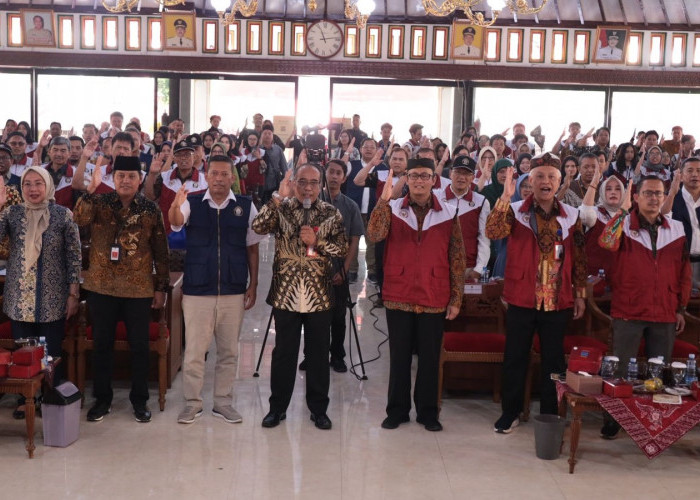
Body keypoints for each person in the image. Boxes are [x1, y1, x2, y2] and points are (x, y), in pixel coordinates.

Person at [486, 153, 587, 433]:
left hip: (558, 299)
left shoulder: (571, 216)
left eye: (551, 178)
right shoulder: (515, 210)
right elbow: (492, 231)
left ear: (559, 183)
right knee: (515, 357)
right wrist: (505, 197)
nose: (545, 182)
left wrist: (580, 293)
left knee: (553, 361)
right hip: (521, 296)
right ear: (530, 181)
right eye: (539, 177)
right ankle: (511, 412)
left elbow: (579, 257)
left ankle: (550, 414)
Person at [368, 157, 466, 432]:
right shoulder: (393, 209)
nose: (419, 181)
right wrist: (384, 201)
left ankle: (427, 412)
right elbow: (374, 235)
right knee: (399, 357)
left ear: (434, 180)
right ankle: (397, 411)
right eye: (414, 176)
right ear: (406, 179)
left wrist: (456, 298)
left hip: (434, 294)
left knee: (429, 358)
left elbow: (457, 257)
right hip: (398, 292)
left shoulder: (448, 212)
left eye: (425, 176)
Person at [73, 155, 170, 423]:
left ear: (139, 180)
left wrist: (160, 287)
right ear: (112, 179)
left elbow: (161, 252)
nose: (125, 181)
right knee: (102, 346)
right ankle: (101, 400)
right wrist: (89, 191)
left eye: (131, 176)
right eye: (120, 176)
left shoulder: (150, 209)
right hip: (101, 286)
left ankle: (139, 401)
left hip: (138, 289)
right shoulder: (100, 202)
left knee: (139, 347)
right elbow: (78, 220)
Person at [252, 163, 347, 430]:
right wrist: (277, 197)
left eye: (313, 183)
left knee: (318, 354)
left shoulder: (331, 213)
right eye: (302, 182)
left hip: (318, 295)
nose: (307, 188)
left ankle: (318, 409)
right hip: (287, 294)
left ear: (321, 186)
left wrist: (317, 243)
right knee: (284, 353)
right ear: (294, 183)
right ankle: (277, 408)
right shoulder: (282, 208)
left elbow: (341, 247)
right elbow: (258, 226)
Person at [169, 155, 263, 424]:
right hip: (198, 289)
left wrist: (252, 285)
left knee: (228, 352)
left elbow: (252, 247)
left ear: (232, 177)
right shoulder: (192, 202)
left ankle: (223, 402)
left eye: (225, 174)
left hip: (233, 289)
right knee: (196, 351)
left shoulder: (245, 206)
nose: (220, 179)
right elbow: (176, 221)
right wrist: (176, 204)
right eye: (215, 174)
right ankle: (192, 402)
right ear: (206, 176)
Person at [598, 175, 690, 439]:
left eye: (658, 194)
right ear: (636, 197)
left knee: (658, 374)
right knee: (619, 371)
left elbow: (683, 272)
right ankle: (613, 420)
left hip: (665, 311)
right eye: (648, 193)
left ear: (664, 198)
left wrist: (680, 307)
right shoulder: (623, 225)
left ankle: (653, 422)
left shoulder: (677, 228)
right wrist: (622, 212)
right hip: (628, 309)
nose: (653, 198)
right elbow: (606, 242)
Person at [0, 167, 80, 418]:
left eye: (38, 183)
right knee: (25, 351)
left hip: (52, 299)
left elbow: (74, 256)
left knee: (49, 352)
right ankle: (27, 398)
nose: (33, 189)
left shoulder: (62, 215)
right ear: (21, 188)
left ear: (47, 186)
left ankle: (50, 395)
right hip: (20, 298)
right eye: (27, 184)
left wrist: (73, 294)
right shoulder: (11, 214)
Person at [298, 159, 363, 373]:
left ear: (344, 178)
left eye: (338, 173)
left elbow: (354, 239)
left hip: (338, 268)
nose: (334, 176)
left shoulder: (350, 206)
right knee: (311, 315)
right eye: (331, 172)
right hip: (313, 268)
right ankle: (312, 355)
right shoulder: (310, 201)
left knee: (338, 316)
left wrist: (345, 268)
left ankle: (337, 355)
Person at [441, 155, 490, 280]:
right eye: (458, 172)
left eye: (467, 174)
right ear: (451, 173)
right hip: (440, 265)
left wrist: (479, 269)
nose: (462, 177)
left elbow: (484, 238)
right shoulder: (436, 197)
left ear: (473, 178)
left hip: (468, 267)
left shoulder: (481, 202)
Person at [578, 165, 625, 279]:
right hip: (595, 280)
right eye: (608, 189)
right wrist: (594, 184)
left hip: (620, 279)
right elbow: (584, 215)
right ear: (602, 192)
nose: (613, 192)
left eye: (617, 189)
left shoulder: (628, 218)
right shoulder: (596, 212)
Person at [667, 158, 700, 292]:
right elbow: (662, 217)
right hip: (681, 263)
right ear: (681, 175)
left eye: (698, 171)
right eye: (690, 170)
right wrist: (671, 194)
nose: (695, 175)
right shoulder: (673, 199)